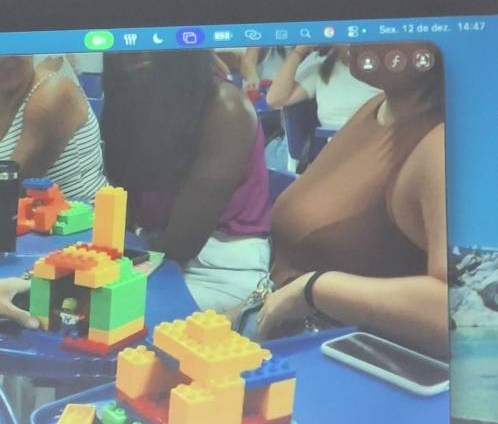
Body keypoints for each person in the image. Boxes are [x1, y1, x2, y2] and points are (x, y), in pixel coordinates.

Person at [256, 42, 448, 360]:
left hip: (340, 361)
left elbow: (459, 311)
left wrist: (314, 289)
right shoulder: (377, 107)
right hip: (289, 334)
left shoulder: (442, 144)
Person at [101, 50, 272, 312]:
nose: (135, 46)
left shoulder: (225, 106)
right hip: (155, 252)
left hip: (218, 272)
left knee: (106, 313)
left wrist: (128, 251)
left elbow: (183, 243)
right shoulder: (132, 97)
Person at [0, 55, 107, 200]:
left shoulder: (53, 93)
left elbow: (9, 188)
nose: (5, 57)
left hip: (84, 213)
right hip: (24, 213)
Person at [266, 44, 382, 129]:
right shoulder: (320, 62)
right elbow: (275, 99)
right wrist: (299, 51)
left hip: (375, 141)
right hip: (335, 146)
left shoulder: (382, 62)